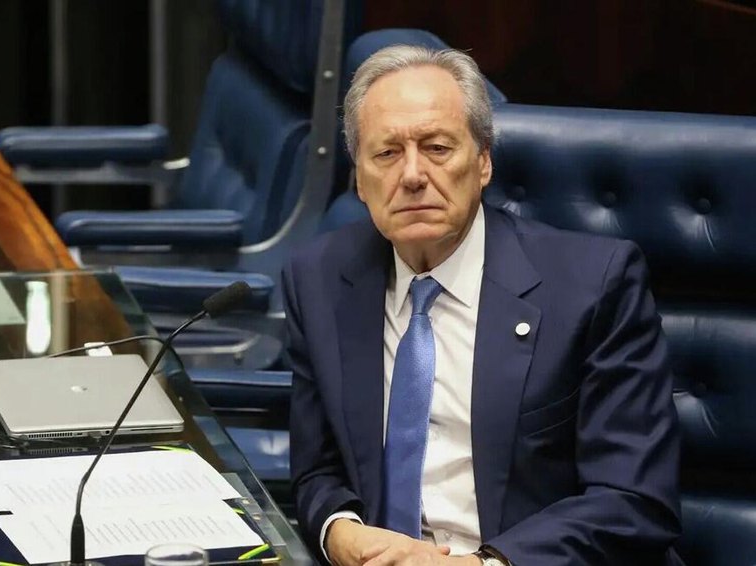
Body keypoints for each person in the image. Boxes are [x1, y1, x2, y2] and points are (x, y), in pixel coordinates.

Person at [283, 45, 683, 566]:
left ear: (483, 161)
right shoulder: (318, 279)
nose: (412, 175)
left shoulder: (594, 285)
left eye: (437, 148)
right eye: (387, 154)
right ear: (359, 178)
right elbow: (317, 470)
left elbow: (634, 500)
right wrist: (341, 534)